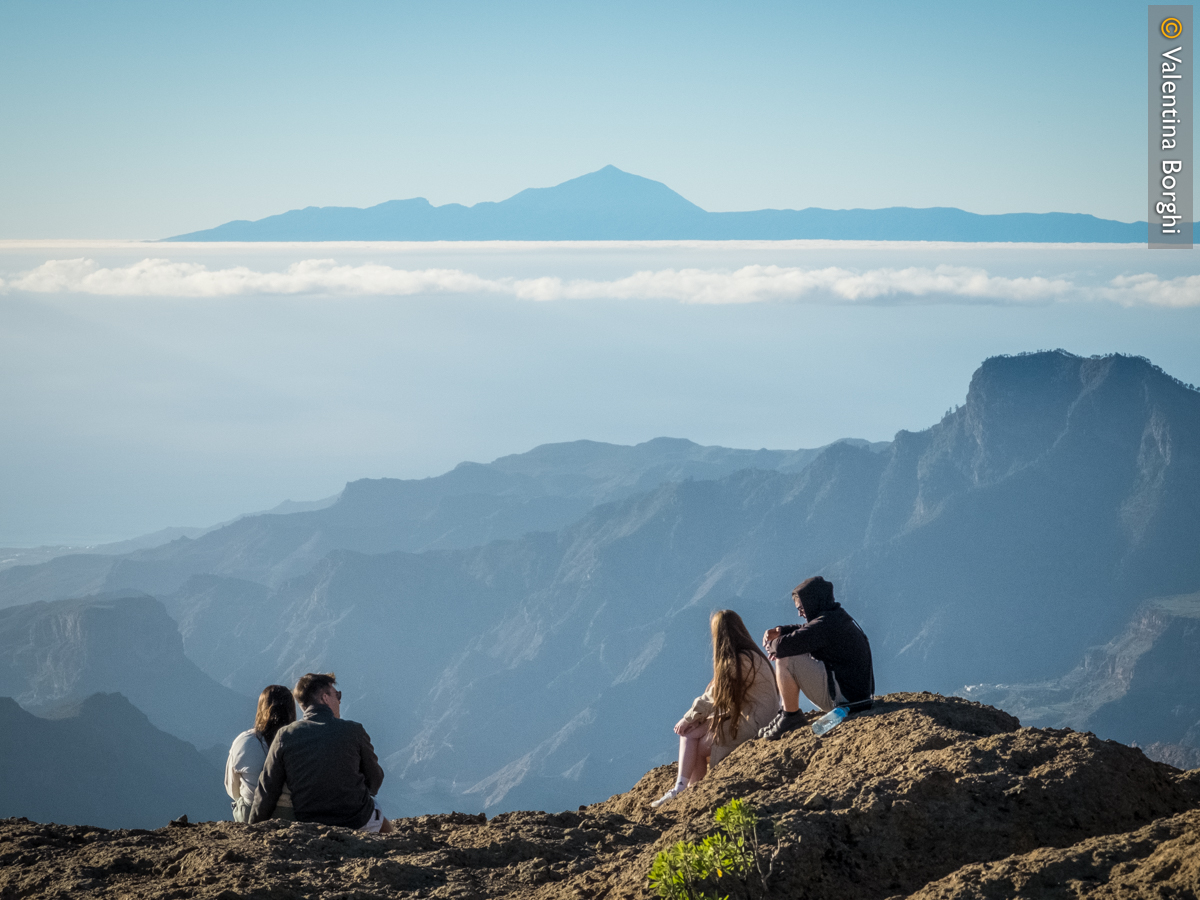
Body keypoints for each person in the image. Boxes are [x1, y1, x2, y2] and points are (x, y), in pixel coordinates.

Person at [651, 610, 780, 807]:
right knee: (691, 736)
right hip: (759, 718)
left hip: (754, 723)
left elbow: (715, 696)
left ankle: (683, 789)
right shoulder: (752, 655)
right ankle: (686, 790)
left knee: (694, 741)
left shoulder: (739, 661)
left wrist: (688, 718)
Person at [249, 672, 393, 833]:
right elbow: (375, 777)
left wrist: (253, 828)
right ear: (325, 698)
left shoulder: (285, 735)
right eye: (337, 695)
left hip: (310, 824)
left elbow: (267, 789)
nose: (339, 700)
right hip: (356, 820)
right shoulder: (354, 730)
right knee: (384, 826)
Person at [759, 576, 874, 740]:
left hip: (845, 702)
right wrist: (780, 631)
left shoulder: (826, 624)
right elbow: (805, 630)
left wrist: (772, 645)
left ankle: (790, 716)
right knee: (794, 649)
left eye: (802, 608)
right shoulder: (835, 618)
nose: (800, 614)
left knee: (786, 658)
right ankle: (786, 713)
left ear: (813, 603)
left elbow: (785, 646)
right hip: (857, 698)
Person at [224, 684, 297, 823]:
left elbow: (231, 788)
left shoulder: (244, 741)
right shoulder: (300, 741)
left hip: (251, 814)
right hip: (293, 816)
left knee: (239, 802)